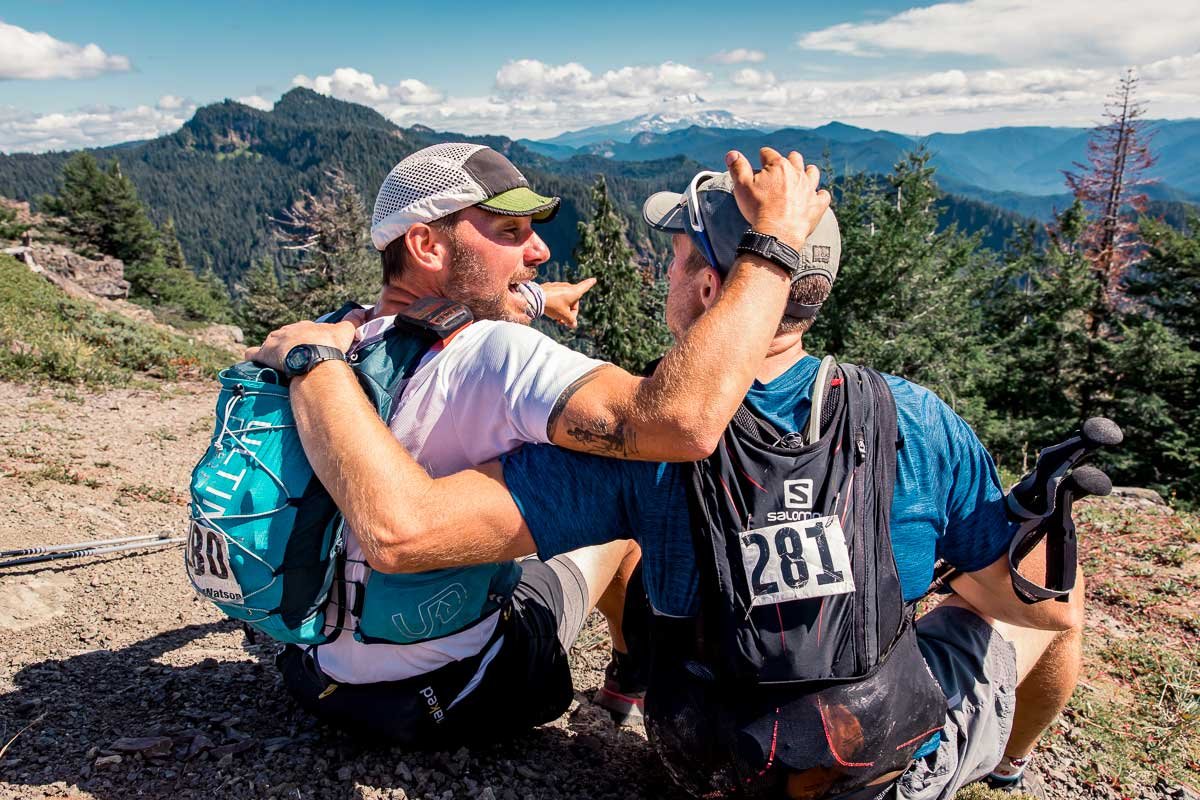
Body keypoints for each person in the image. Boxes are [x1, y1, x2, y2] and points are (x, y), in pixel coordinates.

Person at [255, 154, 1084, 799]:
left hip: (706, 765)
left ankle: (627, 683)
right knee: (1054, 620)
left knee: (623, 544)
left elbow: (414, 529)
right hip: (870, 763)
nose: (665, 270)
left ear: (716, 289)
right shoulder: (914, 418)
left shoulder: (636, 451)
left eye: (679, 253)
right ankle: (1007, 767)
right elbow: (1027, 598)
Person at [247, 142, 834, 745]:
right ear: (427, 245)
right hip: (455, 694)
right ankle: (628, 685)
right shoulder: (499, 355)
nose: (539, 250)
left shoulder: (341, 337)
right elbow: (678, 423)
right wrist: (774, 243)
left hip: (316, 671)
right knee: (623, 508)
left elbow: (452, 310)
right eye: (509, 231)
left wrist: (533, 299)